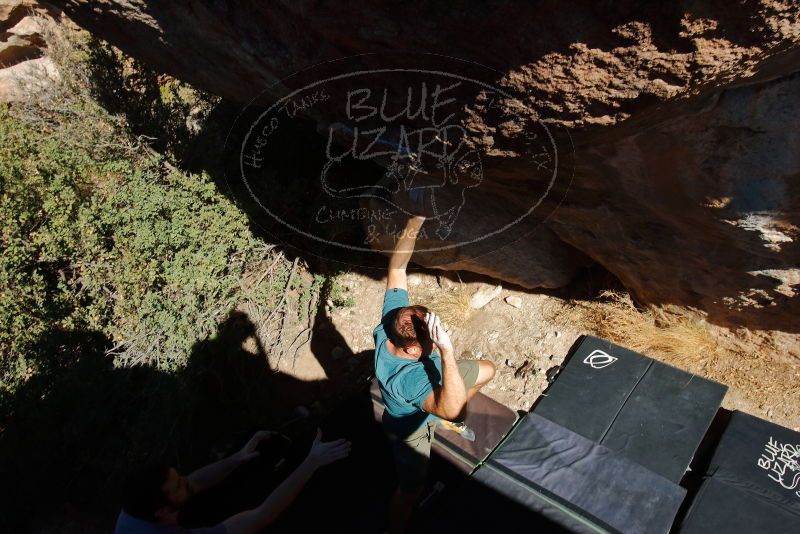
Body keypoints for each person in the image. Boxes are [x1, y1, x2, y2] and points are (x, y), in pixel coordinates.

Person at [373, 215, 496, 533]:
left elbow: (397, 267)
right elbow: (453, 406)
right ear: (413, 351)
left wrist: (416, 219)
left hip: (432, 393)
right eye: (432, 339)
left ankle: (437, 417)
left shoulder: (393, 322)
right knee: (409, 491)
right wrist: (447, 351)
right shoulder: (409, 378)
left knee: (487, 370)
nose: (439, 336)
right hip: (408, 431)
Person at [115, 429, 350, 534]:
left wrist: (238, 458)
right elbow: (260, 517)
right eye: (178, 486)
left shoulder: (135, 509)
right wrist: (312, 462)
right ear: (162, 511)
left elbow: (194, 482)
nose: (185, 481)